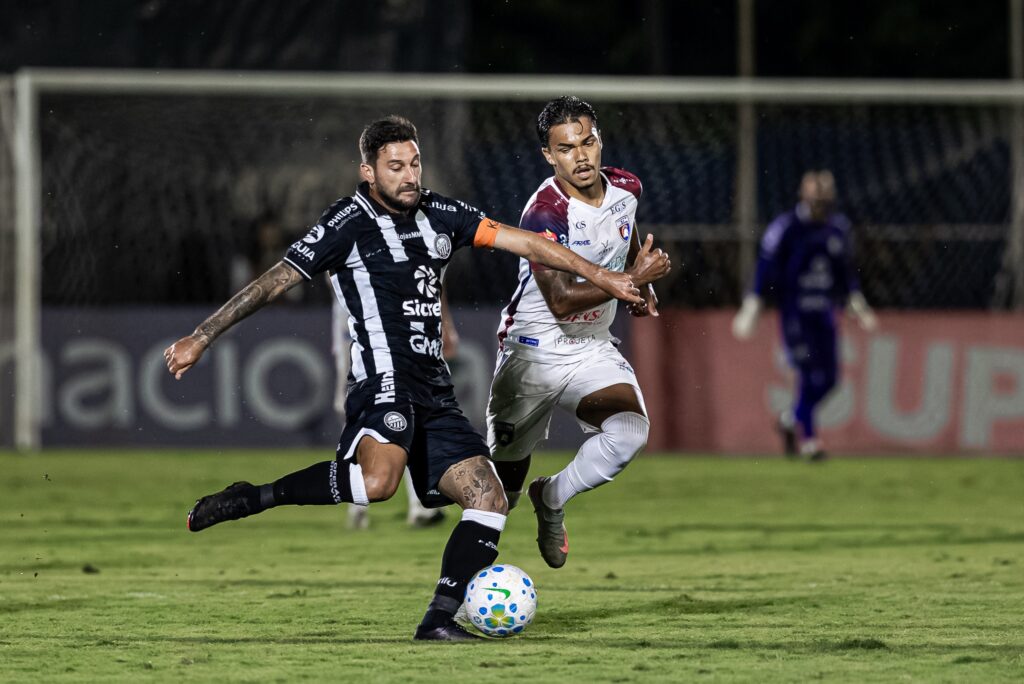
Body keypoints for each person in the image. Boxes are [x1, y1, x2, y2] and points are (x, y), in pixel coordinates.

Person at [163, 115, 643, 641]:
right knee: (377, 485)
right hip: (382, 379)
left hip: (433, 386)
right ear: (368, 171)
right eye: (395, 167)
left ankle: (437, 621)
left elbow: (527, 244)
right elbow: (275, 280)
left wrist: (605, 277)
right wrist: (202, 336)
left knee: (489, 498)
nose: (409, 175)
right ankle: (255, 497)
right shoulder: (346, 221)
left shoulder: (442, 213)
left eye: (414, 163)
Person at [484, 96, 671, 569]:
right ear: (550, 156)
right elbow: (562, 300)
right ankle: (470, 583)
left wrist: (636, 286)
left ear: (600, 140)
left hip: (590, 348)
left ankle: (551, 497)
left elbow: (622, 246)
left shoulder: (627, 188)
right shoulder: (544, 213)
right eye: (566, 148)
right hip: (533, 351)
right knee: (498, 490)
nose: (581, 156)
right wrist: (633, 283)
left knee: (629, 432)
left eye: (587, 142)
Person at [731, 170, 877, 461]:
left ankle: (790, 419)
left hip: (824, 312)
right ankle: (810, 440)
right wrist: (753, 302)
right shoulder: (786, 227)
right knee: (808, 374)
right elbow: (765, 266)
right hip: (796, 313)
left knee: (831, 379)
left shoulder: (837, 229)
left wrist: (855, 300)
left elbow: (845, 272)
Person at [337, 289, 454, 530]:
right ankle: (361, 501)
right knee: (370, 414)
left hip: (392, 327)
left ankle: (414, 504)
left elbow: (432, 281)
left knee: (401, 413)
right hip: (365, 327)